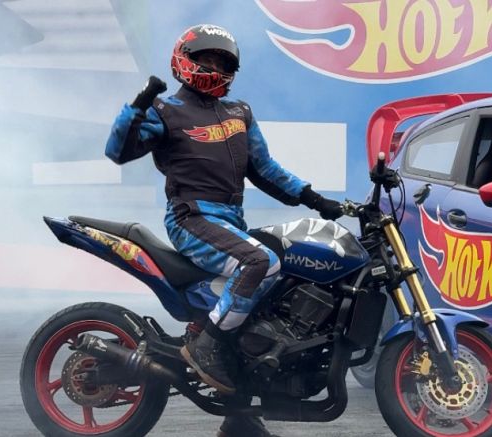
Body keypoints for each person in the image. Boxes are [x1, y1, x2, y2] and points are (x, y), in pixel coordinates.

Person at [105, 24, 342, 437]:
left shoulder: (239, 113)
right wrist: (138, 104)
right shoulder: (165, 110)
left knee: (273, 296)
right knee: (260, 262)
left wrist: (315, 199)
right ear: (185, 60)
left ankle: (239, 420)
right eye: (207, 59)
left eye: (222, 62)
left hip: (229, 221)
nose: (215, 67)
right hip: (191, 218)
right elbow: (118, 151)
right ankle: (207, 346)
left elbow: (266, 169)